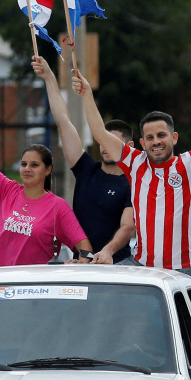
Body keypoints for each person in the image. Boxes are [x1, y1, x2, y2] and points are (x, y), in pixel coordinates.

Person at [72, 71, 191, 281]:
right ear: (142, 143)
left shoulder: (190, 164)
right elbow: (100, 133)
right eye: (150, 137)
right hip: (142, 267)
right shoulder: (134, 162)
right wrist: (87, 94)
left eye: (161, 135)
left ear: (174, 138)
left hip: (180, 271)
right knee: (102, 289)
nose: (156, 141)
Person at [0, 98, 92, 267]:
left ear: (48, 170)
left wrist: (76, 266)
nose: (27, 169)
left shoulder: (57, 207)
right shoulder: (7, 190)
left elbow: (86, 250)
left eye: (34, 165)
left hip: (37, 290)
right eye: (24, 164)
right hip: (3, 288)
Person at [31, 56, 137, 265]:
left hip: (118, 265)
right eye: (102, 140)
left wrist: (106, 252)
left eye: (113, 142)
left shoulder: (134, 182)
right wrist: (49, 78)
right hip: (81, 263)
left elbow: (128, 227)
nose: (106, 146)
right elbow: (63, 122)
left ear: (130, 147)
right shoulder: (87, 169)